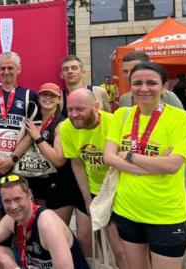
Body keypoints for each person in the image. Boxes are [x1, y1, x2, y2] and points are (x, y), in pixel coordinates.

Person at [104, 62, 186, 269]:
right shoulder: (121, 115)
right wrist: (154, 165)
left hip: (165, 214)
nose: (144, 88)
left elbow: (173, 165)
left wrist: (129, 156)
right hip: (126, 211)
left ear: (164, 86)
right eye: (137, 83)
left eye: (151, 83)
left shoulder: (180, 117)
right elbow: (108, 157)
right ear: (130, 86)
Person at [59, 89, 127, 268]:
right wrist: (88, 199)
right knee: (94, 240)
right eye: (70, 109)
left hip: (120, 189)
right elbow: (77, 163)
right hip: (95, 189)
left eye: (80, 109)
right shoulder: (67, 127)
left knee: (121, 248)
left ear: (96, 107)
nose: (74, 115)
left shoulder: (113, 123)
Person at [0, 51, 39, 229]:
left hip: (17, 162)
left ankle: (21, 252)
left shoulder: (29, 96)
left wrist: (11, 160)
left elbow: (30, 134)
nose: (6, 71)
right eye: (2, 68)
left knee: (20, 209)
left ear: (19, 69)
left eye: (10, 67)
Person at [0, 175, 89, 269]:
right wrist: (7, 262)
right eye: (7, 201)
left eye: (17, 199)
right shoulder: (11, 219)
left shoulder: (47, 223)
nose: (13, 206)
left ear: (29, 195)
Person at [23, 83, 86, 225]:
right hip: (38, 182)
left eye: (52, 95)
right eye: (44, 94)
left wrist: (37, 137)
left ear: (59, 99)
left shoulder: (62, 124)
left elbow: (59, 160)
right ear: (38, 98)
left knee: (57, 232)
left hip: (59, 186)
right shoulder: (35, 120)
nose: (48, 98)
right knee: (39, 230)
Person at [118, 52, 183, 109]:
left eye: (134, 69)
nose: (129, 75)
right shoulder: (124, 99)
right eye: (125, 71)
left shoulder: (168, 97)